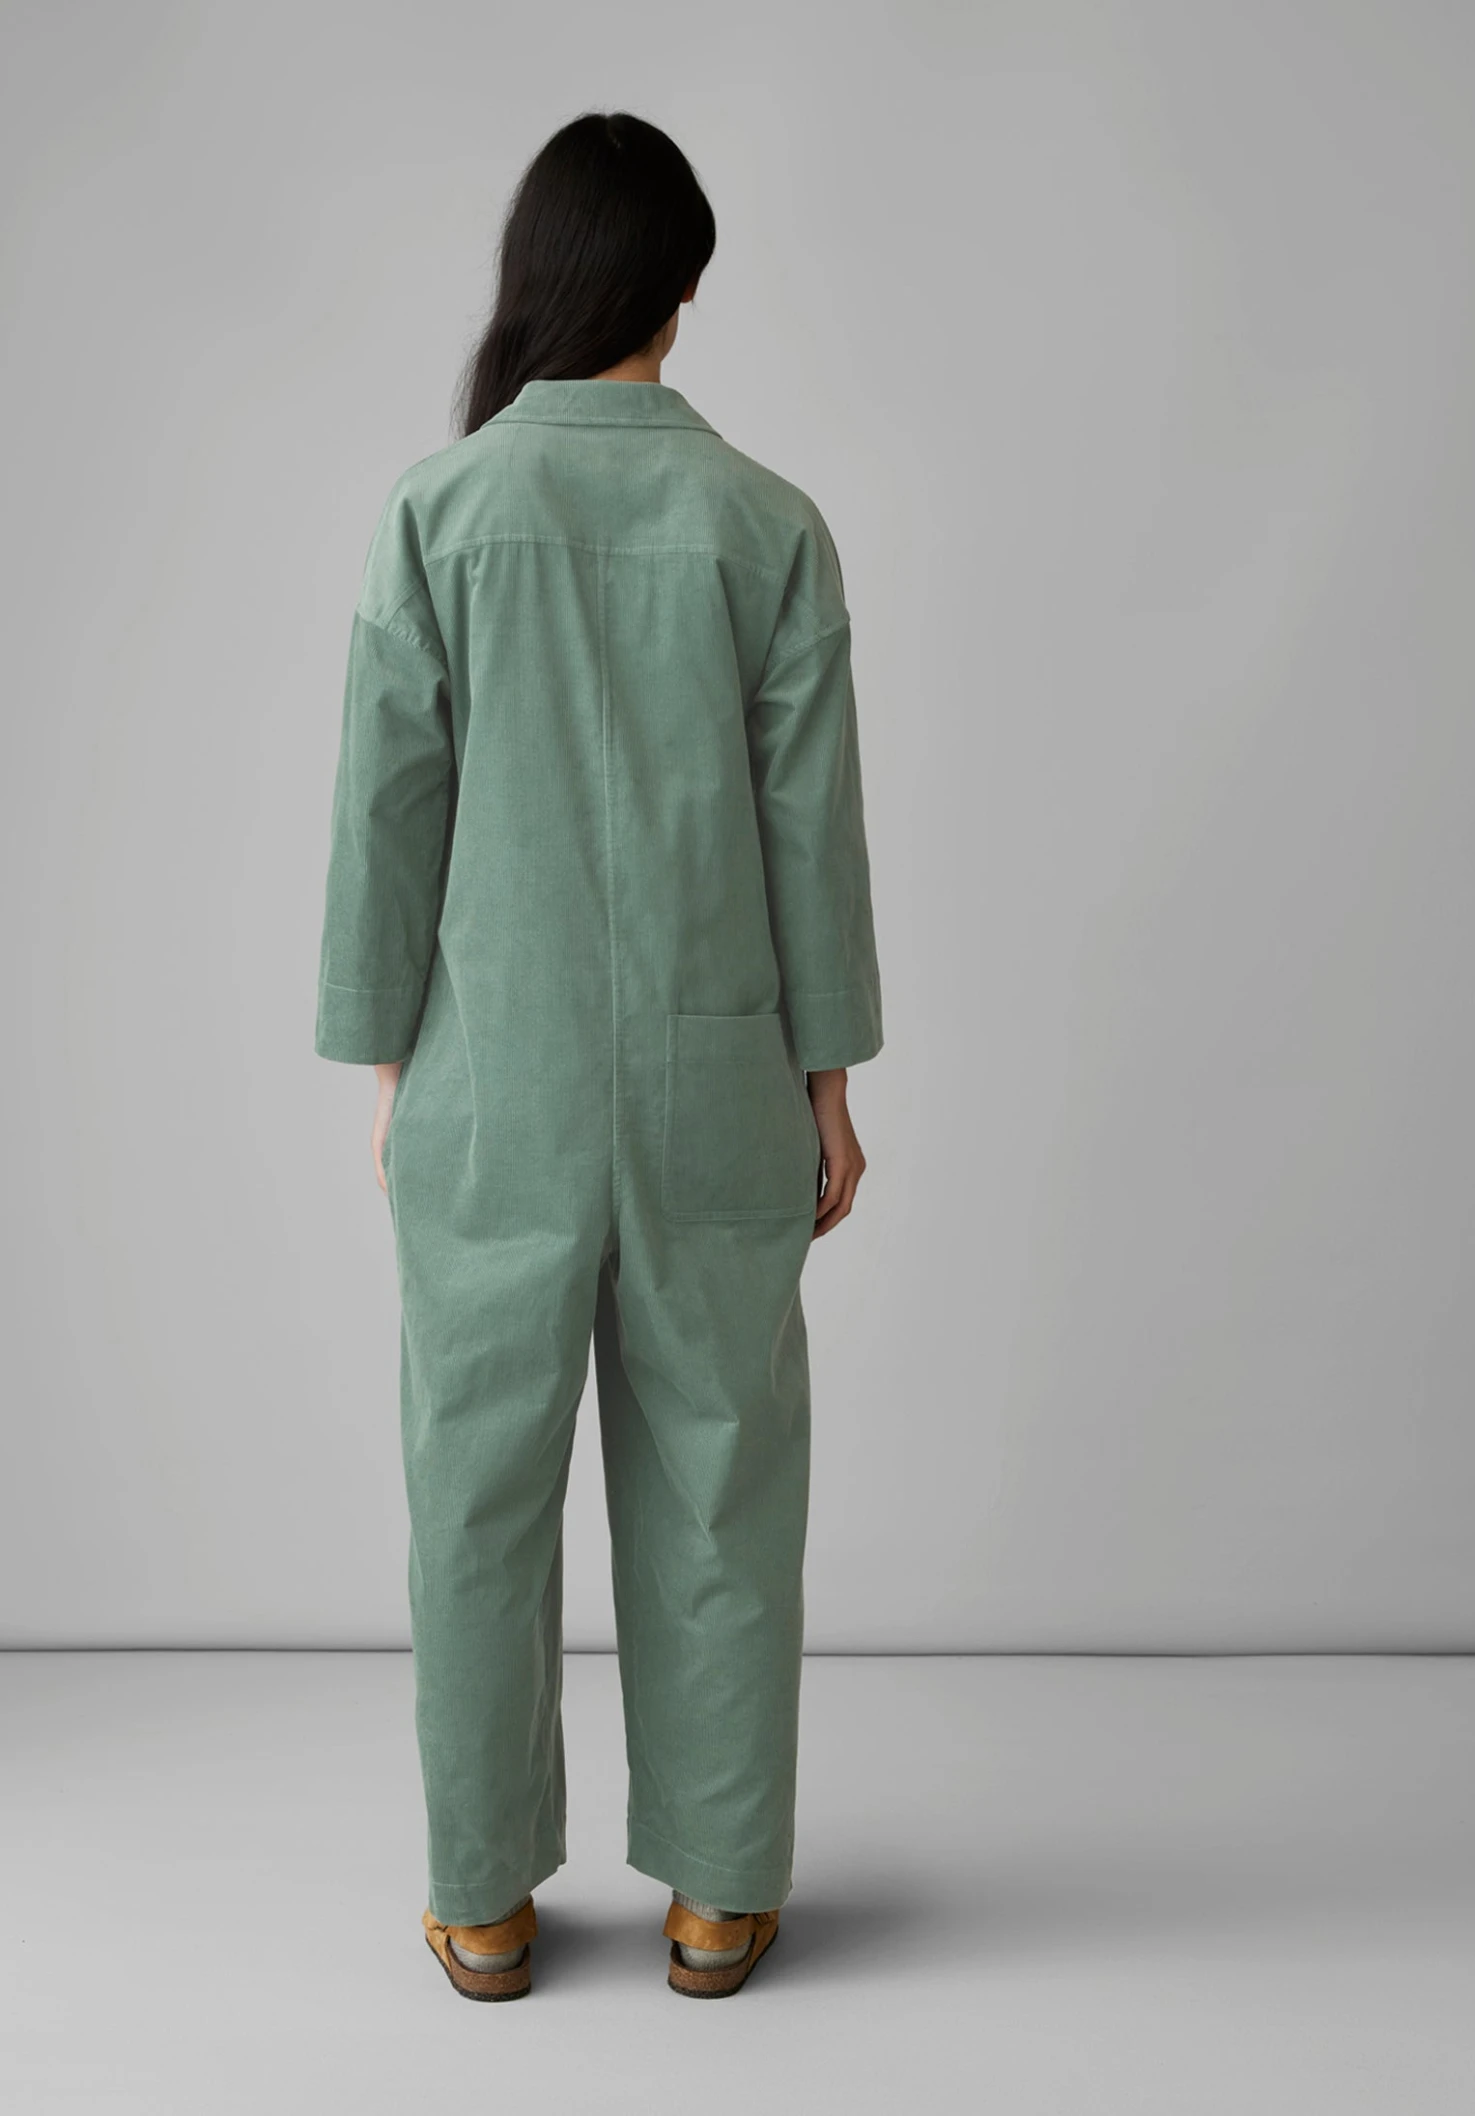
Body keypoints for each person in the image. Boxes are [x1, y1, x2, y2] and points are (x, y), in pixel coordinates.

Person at [314, 109, 882, 2002]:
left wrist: (387, 1072)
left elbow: (386, 819)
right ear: (680, 289)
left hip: (495, 1078)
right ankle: (719, 1895)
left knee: (475, 1485)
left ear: (543, 275)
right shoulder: (769, 525)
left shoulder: (438, 512)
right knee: (722, 1473)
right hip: (723, 1079)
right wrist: (830, 1085)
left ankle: (480, 1897)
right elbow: (811, 833)